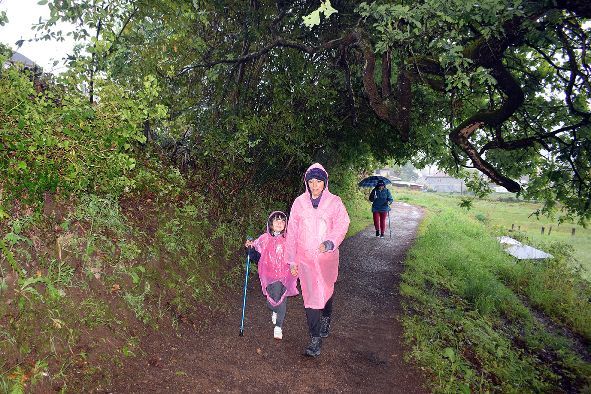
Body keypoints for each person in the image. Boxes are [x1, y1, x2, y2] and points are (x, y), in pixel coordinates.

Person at [286, 163, 350, 357]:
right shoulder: (299, 203)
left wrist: (330, 242)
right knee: (311, 297)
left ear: (325, 182)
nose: (314, 186)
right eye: (311, 181)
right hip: (304, 258)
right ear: (306, 182)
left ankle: (326, 318)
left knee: (326, 289)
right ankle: (315, 339)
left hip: (326, 258)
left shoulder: (335, 202)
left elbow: (342, 223)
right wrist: (292, 261)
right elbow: (292, 233)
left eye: (318, 181)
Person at [245, 211, 299, 340]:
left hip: (285, 276)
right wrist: (250, 249)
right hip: (269, 276)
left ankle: (278, 326)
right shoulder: (264, 239)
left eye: (282, 221)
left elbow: (296, 256)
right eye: (276, 221)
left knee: (282, 299)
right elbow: (256, 257)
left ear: (286, 224)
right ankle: (274, 309)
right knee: (272, 301)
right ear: (271, 224)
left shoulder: (289, 240)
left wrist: (294, 266)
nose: (279, 224)